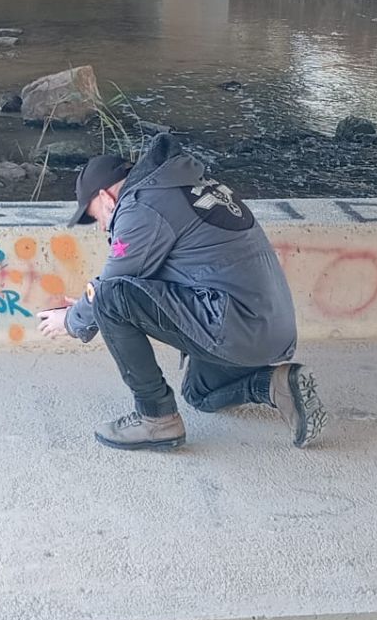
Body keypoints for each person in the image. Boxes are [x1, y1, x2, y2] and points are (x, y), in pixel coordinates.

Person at [37, 133, 325, 451]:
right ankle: (276, 384)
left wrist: (71, 321)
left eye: (97, 217)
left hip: (235, 323)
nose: (104, 227)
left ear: (107, 197)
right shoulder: (187, 185)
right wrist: (85, 306)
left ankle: (156, 419)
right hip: (268, 329)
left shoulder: (143, 206)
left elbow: (112, 288)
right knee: (199, 393)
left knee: (108, 297)